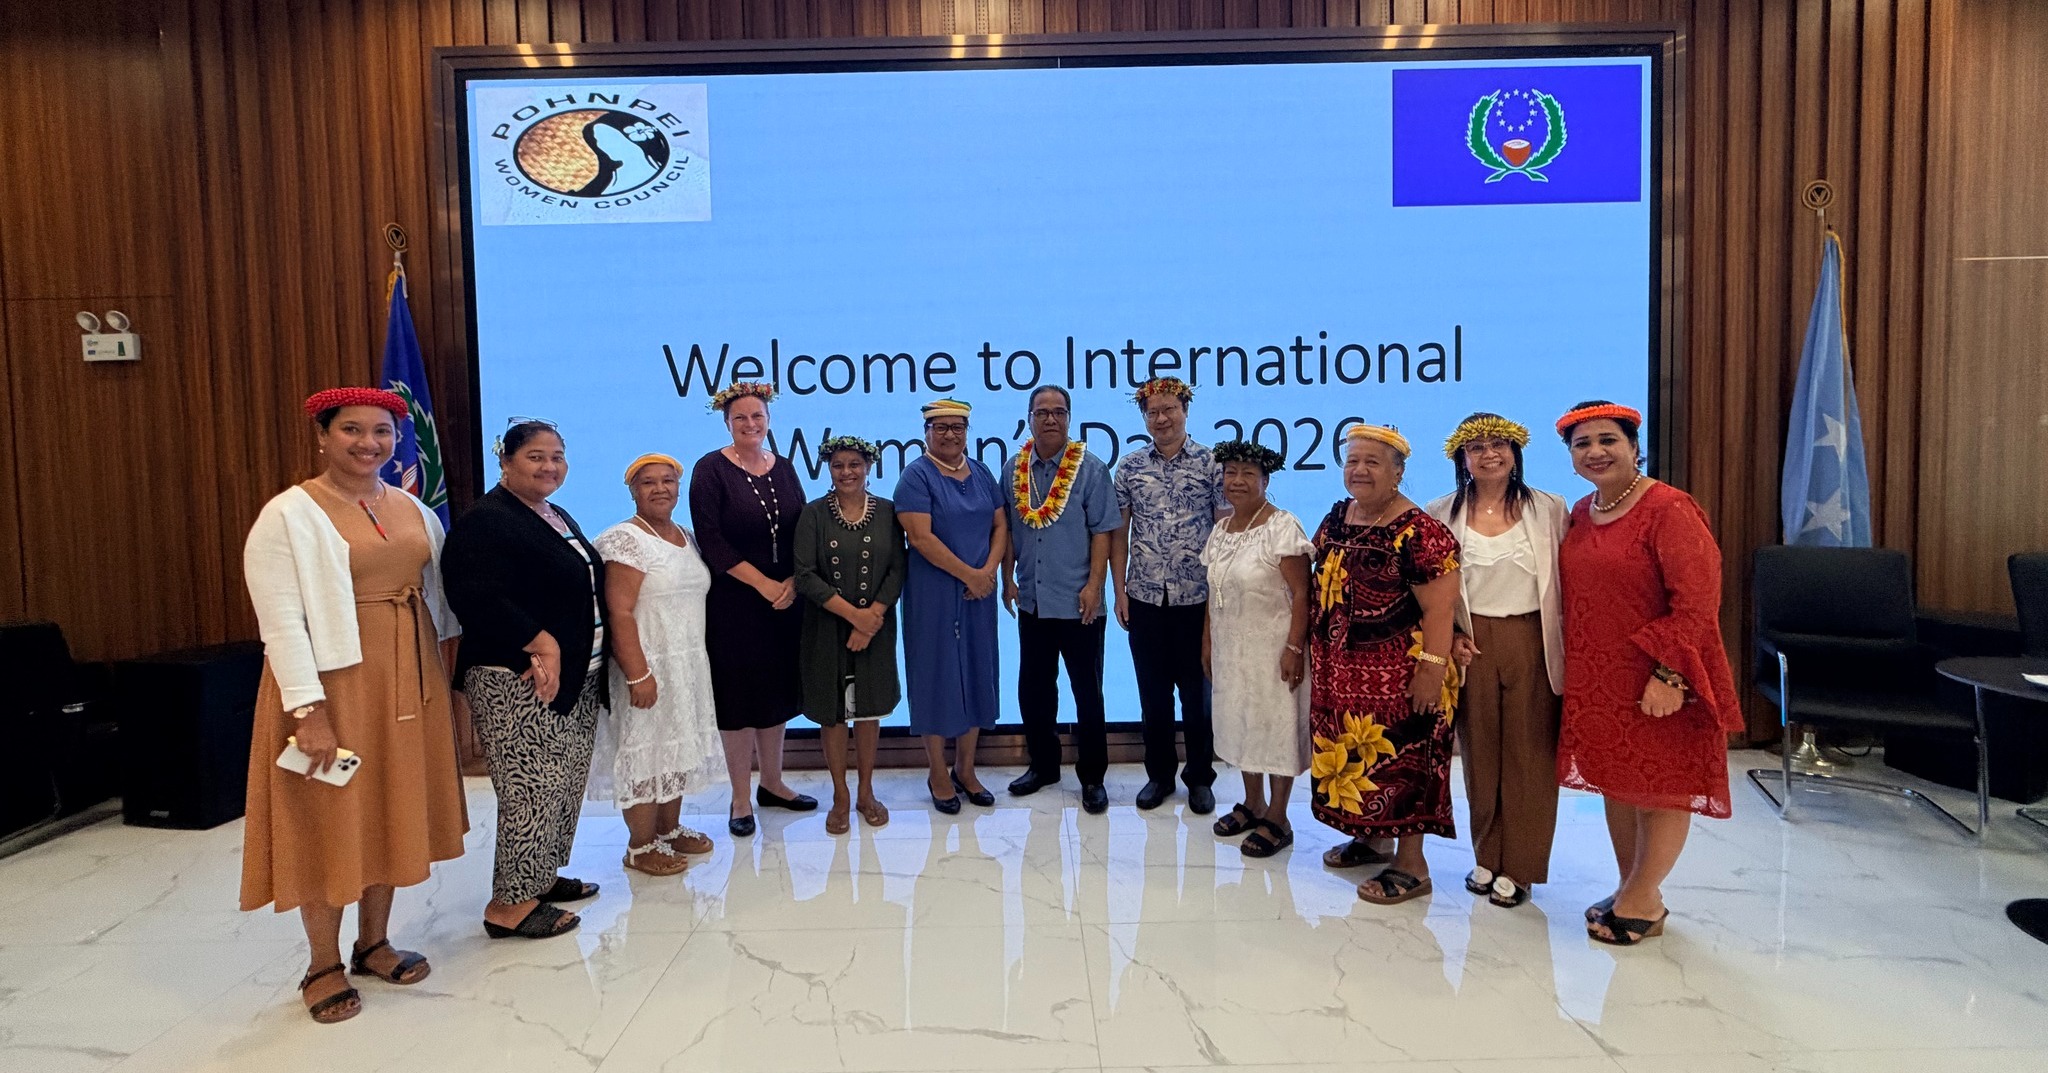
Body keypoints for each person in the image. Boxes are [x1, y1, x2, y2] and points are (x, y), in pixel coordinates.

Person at [240, 388, 468, 1024]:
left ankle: (374, 942)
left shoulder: (414, 508)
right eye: (352, 430)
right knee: (327, 813)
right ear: (323, 436)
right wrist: (308, 711)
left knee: (390, 802)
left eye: (382, 432)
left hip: (407, 677)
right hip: (330, 689)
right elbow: (281, 621)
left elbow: (439, 594)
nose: (369, 443)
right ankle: (322, 963)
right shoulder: (288, 515)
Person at [1553, 400, 1742, 946]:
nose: (1595, 451)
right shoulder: (1584, 511)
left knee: (1661, 788)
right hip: (1599, 677)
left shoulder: (1669, 508)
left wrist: (1672, 676)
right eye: (1582, 443)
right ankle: (1635, 886)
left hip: (1659, 677)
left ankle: (1641, 900)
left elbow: (1699, 602)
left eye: (1608, 440)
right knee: (1617, 783)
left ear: (1635, 448)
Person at [442, 418, 606, 940]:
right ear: (506, 461)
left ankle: (539, 877)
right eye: (536, 456)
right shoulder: (486, 520)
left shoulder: (552, 513)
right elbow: (475, 595)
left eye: (557, 456)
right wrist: (539, 640)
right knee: (530, 789)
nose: (550, 466)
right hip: (517, 678)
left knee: (561, 783)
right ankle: (510, 906)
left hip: (575, 676)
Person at [1307, 424, 1462, 905]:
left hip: (1402, 674)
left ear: (1398, 472)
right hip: (1343, 674)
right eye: (1352, 460)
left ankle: (1412, 866)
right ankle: (1372, 838)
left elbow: (1441, 609)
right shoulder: (1339, 518)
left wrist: (1432, 669)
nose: (1359, 470)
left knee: (1405, 762)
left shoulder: (1421, 533)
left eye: (1373, 462)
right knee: (1357, 763)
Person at [1424, 413, 1568, 909]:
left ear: (1515, 451)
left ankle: (1522, 866)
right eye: (1477, 447)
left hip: (1532, 638)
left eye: (1499, 445)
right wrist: (1453, 637)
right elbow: (1434, 591)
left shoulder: (1549, 508)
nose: (1489, 454)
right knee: (1480, 754)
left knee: (1530, 756)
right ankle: (1487, 855)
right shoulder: (1440, 512)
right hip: (1472, 644)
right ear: (1461, 458)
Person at [689, 381, 816, 837]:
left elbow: (803, 525)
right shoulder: (710, 469)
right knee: (739, 700)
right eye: (740, 417)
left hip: (784, 601)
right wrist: (763, 584)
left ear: (768, 421)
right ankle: (741, 797)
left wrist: (792, 581)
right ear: (727, 422)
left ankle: (774, 783)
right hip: (735, 605)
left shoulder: (782, 466)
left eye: (757, 417)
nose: (750, 424)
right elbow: (711, 539)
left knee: (776, 693)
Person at [589, 453, 722, 877]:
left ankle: (667, 831)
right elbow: (620, 613)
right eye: (649, 482)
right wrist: (637, 673)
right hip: (646, 665)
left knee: (676, 747)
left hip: (687, 665)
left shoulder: (686, 535)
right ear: (632, 491)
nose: (660, 488)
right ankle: (640, 846)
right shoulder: (625, 539)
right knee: (645, 752)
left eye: (668, 480)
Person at [1111, 377, 1228, 815]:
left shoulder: (1211, 464)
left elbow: (1223, 532)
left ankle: (1199, 777)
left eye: (1169, 410)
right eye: (1152, 412)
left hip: (1196, 597)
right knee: (1152, 696)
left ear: (1185, 410)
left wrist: (1219, 598)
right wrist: (1119, 588)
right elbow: (1119, 531)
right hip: (1143, 596)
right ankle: (1158, 776)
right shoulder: (1129, 467)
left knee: (1197, 695)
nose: (1161, 419)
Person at [1002, 384, 1120, 813]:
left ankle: (1093, 778)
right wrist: (1006, 579)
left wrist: (1094, 586)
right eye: (1041, 412)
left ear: (1069, 418)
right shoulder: (1014, 469)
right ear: (1029, 418)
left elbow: (1104, 532)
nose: (1050, 419)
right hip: (1033, 600)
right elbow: (1009, 530)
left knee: (1087, 693)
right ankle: (1044, 766)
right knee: (1034, 690)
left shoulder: (1090, 469)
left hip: (1078, 603)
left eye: (1058, 412)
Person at [1199, 440, 1313, 857]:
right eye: (1231, 473)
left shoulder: (1282, 527)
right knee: (1241, 724)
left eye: (1248, 474)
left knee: (1274, 728)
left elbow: (1302, 593)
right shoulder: (1222, 529)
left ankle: (1279, 818)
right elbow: (1215, 592)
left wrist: (1294, 648)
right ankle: (1252, 803)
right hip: (1232, 650)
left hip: (1273, 649)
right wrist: (1208, 640)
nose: (1238, 481)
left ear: (1265, 481)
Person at [895, 399, 1008, 813]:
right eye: (940, 428)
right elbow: (921, 539)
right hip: (935, 594)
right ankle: (937, 772)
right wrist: (970, 575)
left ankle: (966, 768)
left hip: (980, 592)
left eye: (957, 427)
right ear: (926, 432)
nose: (949, 435)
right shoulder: (916, 476)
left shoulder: (979, 472)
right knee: (937, 674)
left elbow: (1000, 524)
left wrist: (989, 571)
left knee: (978, 669)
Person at [794, 435, 907, 832]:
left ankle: (865, 792)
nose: (846, 472)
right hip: (826, 629)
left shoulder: (890, 511)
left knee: (870, 709)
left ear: (869, 468)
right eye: (838, 465)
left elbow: (897, 568)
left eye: (854, 465)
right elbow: (804, 574)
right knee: (834, 713)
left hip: (876, 629)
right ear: (828, 468)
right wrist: (852, 617)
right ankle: (840, 795)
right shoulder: (813, 514)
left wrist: (871, 617)